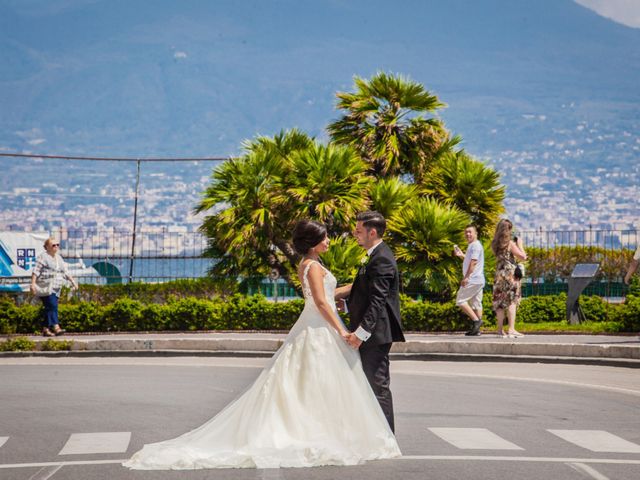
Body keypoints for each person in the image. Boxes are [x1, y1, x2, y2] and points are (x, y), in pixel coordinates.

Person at [123, 220, 401, 470]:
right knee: (322, 382)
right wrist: (341, 328)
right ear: (314, 243)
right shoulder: (313, 266)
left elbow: (326, 295)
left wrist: (355, 289)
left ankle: (322, 430)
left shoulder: (307, 264)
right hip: (320, 329)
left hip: (314, 327)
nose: (330, 241)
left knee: (310, 383)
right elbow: (319, 302)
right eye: (325, 238)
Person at [336, 211, 405, 433]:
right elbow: (365, 294)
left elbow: (378, 301)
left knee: (377, 386)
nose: (355, 235)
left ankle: (387, 436)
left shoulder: (382, 257)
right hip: (371, 333)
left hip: (376, 334)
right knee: (368, 384)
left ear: (371, 232)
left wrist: (361, 333)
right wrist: (347, 306)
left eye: (358, 231)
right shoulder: (373, 255)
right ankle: (374, 433)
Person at [29, 238, 77, 337]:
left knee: (49, 307)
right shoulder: (42, 257)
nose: (56, 247)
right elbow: (35, 271)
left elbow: (65, 271)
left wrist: (73, 281)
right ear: (47, 247)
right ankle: (56, 327)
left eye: (57, 245)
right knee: (52, 305)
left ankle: (45, 329)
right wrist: (33, 284)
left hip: (56, 287)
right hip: (45, 286)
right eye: (53, 245)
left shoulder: (59, 258)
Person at [491, 219, 527, 338]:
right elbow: (523, 257)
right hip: (510, 275)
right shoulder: (510, 244)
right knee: (512, 301)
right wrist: (520, 244)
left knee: (500, 303)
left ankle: (500, 331)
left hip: (499, 275)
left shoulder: (494, 244)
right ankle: (511, 329)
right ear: (508, 230)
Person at [453, 225, 485, 336]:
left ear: (476, 234)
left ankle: (477, 321)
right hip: (479, 279)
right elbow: (471, 260)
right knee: (476, 304)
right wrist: (462, 255)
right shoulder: (474, 245)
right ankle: (477, 330)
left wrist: (466, 277)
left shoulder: (475, 246)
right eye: (466, 232)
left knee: (460, 301)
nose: (468, 234)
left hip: (473, 279)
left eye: (470, 232)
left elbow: (474, 263)